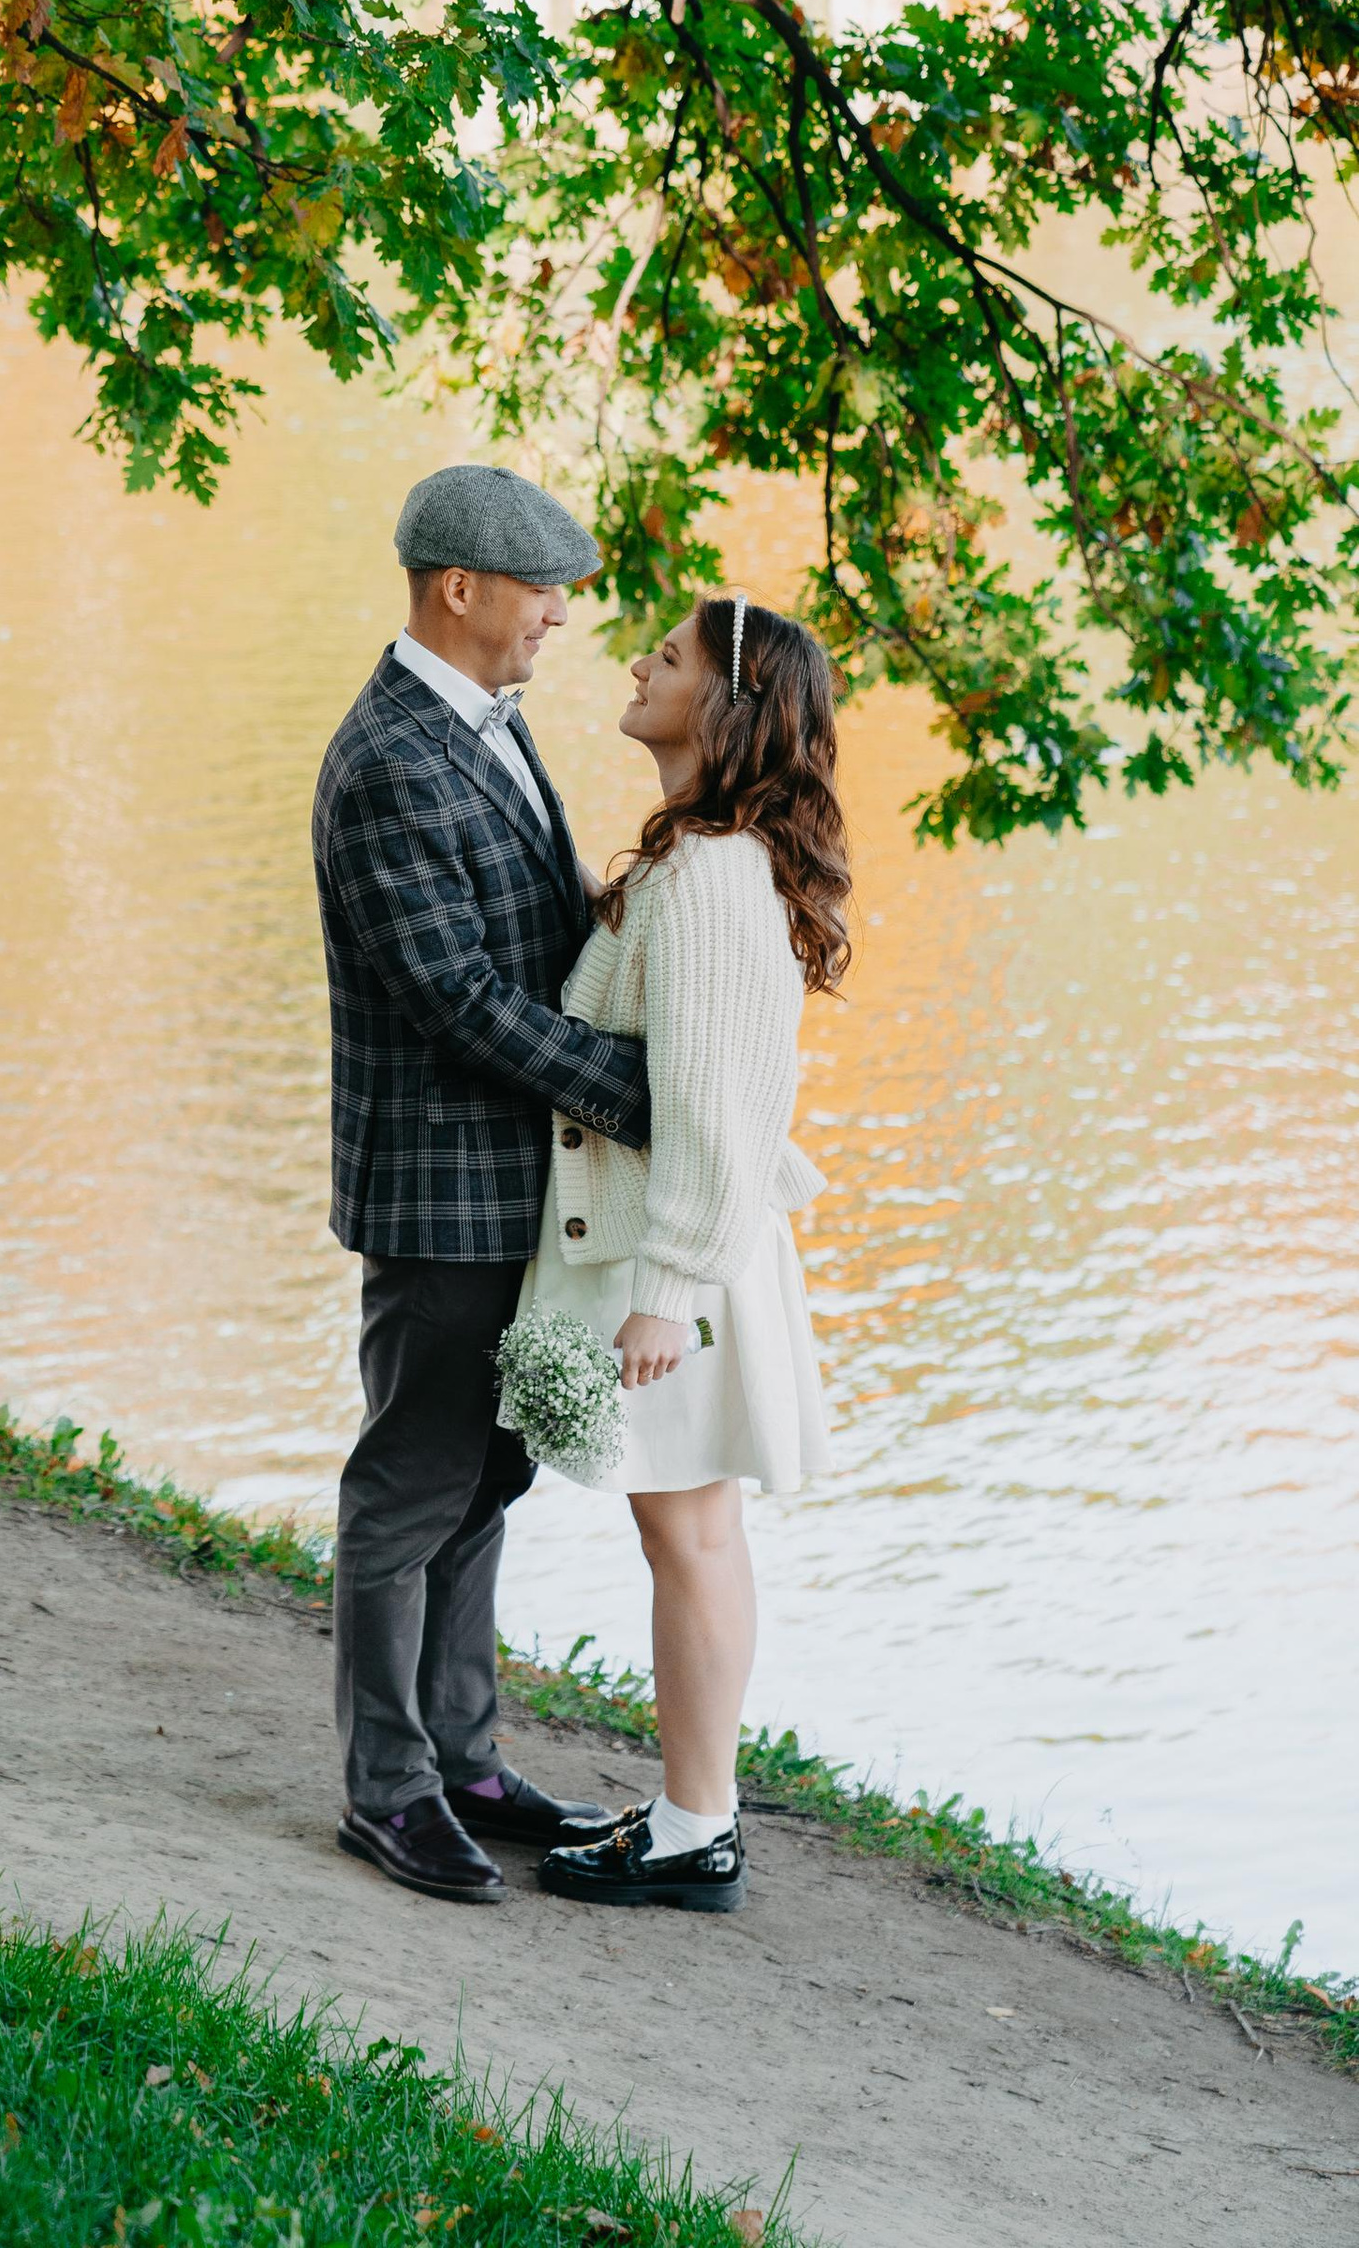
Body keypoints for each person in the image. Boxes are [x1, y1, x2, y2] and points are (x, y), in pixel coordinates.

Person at [312, 462, 651, 1906]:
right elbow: (455, 992)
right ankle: (386, 1789)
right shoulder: (391, 755)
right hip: (438, 1188)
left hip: (513, 1180)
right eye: (542, 588)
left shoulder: (489, 726)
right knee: (412, 1482)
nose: (559, 615)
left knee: (488, 1474)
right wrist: (624, 1087)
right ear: (460, 587)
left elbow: (540, 918)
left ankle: (461, 1753)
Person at [525, 591, 849, 1919]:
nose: (638, 663)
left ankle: (696, 1827)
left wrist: (665, 1292)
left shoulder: (714, 875)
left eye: (667, 656)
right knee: (686, 1532)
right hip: (691, 1251)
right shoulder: (700, 858)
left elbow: (719, 1106)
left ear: (726, 707)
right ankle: (685, 1808)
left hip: (687, 1266)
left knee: (692, 1533)